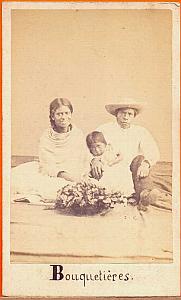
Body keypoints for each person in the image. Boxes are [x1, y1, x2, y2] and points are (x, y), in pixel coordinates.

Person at [12, 98, 88, 202]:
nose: (63, 117)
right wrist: (68, 177)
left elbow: (84, 158)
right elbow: (48, 166)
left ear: (71, 114)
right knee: (55, 189)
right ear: (52, 117)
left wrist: (79, 176)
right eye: (59, 114)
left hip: (75, 172)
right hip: (53, 174)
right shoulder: (46, 137)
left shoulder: (78, 134)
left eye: (67, 113)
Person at [90, 97, 160, 207]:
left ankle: (145, 195)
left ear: (134, 116)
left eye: (130, 114)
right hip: (108, 166)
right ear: (116, 113)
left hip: (132, 168)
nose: (126, 117)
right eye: (123, 113)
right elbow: (90, 146)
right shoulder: (104, 129)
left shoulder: (140, 131)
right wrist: (94, 160)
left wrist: (146, 164)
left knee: (140, 159)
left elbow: (152, 150)